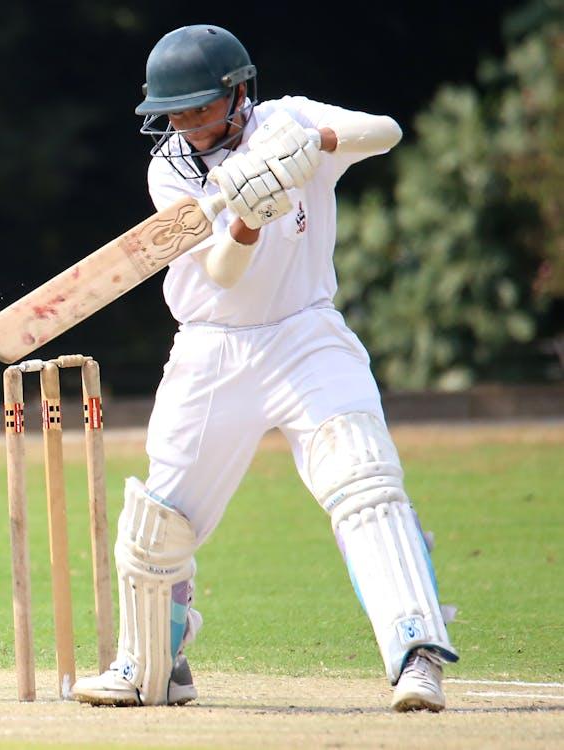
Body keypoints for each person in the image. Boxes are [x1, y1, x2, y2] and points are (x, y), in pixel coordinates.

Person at [71, 25, 458, 712]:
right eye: (173, 114)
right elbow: (220, 274)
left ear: (237, 92)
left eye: (196, 109)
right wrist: (246, 217)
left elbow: (387, 130)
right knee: (162, 517)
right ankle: (151, 664)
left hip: (306, 334)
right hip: (212, 348)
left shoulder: (290, 118)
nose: (185, 125)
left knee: (363, 479)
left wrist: (312, 147)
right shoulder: (169, 170)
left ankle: (415, 654)